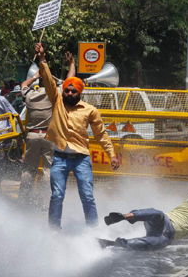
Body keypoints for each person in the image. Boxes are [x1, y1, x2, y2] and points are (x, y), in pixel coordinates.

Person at [36, 43, 120, 229]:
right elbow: (49, 80)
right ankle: (53, 230)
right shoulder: (57, 101)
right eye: (67, 90)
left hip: (81, 159)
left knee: (87, 196)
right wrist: (42, 59)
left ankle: (93, 230)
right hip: (59, 158)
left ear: (79, 93)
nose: (70, 93)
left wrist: (111, 154)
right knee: (57, 195)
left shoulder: (90, 110)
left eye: (74, 91)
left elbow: (101, 134)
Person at [18, 51, 77, 209]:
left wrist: (36, 75)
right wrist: (72, 63)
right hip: (50, 136)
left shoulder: (30, 96)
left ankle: (24, 200)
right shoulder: (55, 95)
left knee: (29, 169)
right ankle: (45, 201)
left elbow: (23, 84)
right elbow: (71, 82)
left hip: (32, 135)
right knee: (48, 169)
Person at [99, 189, 188, 250]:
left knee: (150, 244)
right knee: (156, 213)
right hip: (165, 221)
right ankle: (124, 216)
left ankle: (111, 244)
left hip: (167, 237)